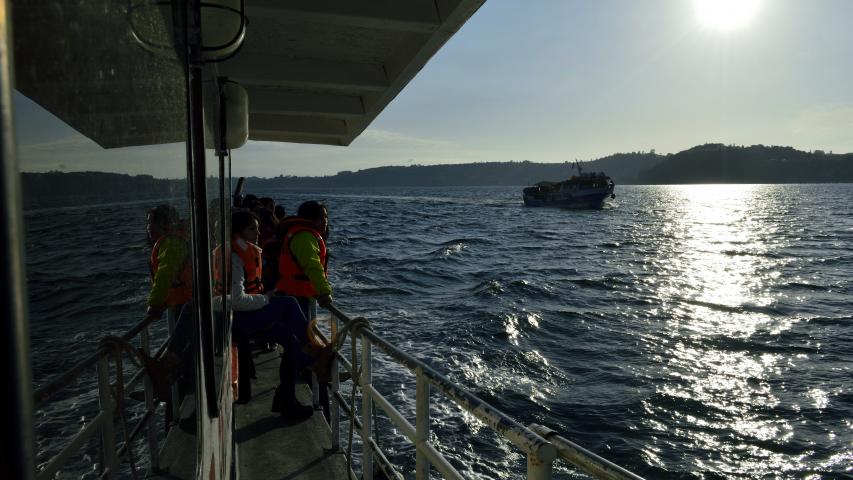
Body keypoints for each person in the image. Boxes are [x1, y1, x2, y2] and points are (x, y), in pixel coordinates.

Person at [226, 210, 316, 419]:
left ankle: (287, 398)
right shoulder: (234, 259)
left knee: (288, 337)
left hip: (244, 316)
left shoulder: (244, 252)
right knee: (289, 304)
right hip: (237, 320)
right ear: (238, 232)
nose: (257, 233)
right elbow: (237, 301)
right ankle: (315, 353)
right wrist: (266, 298)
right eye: (252, 229)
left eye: (257, 228)